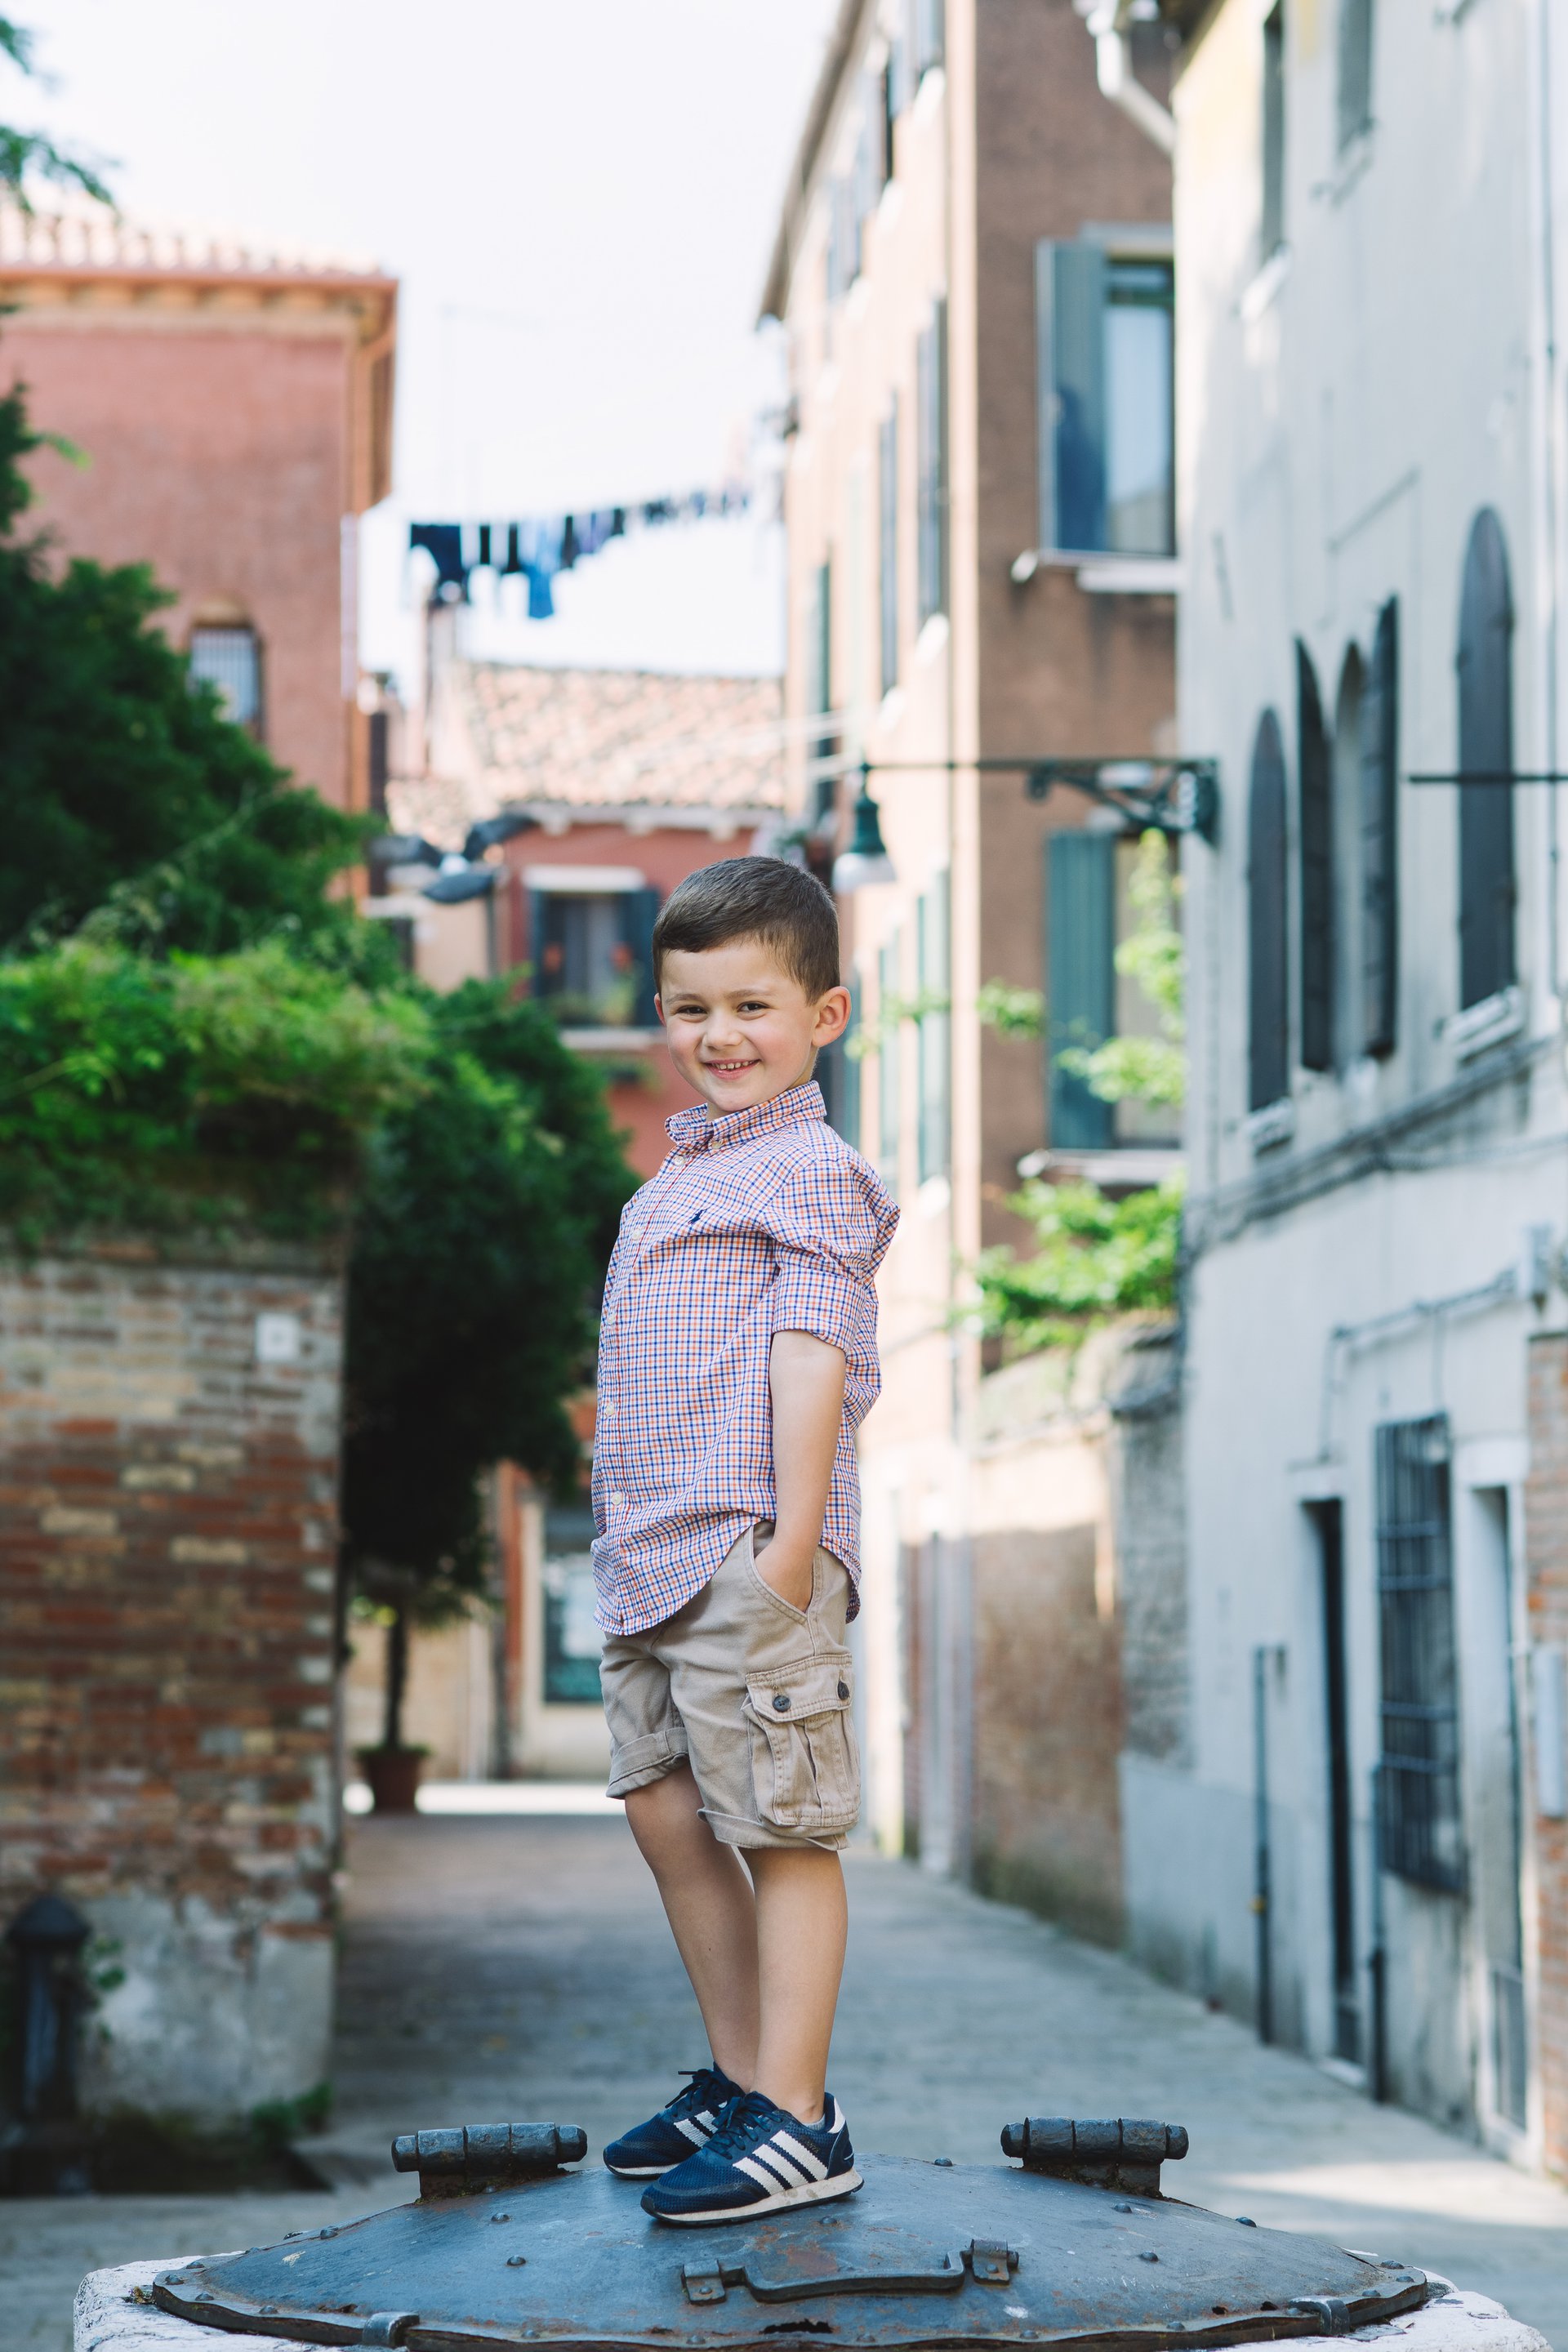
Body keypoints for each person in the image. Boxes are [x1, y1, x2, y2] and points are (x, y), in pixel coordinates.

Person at [592, 855, 898, 2226]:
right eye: (689, 1008)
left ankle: (799, 2115)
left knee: (783, 1832)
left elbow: (813, 1349)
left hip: (742, 1547)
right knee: (666, 1807)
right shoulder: (673, 1178)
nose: (718, 1037)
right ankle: (735, 2078)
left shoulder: (812, 1172)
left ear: (825, 1015)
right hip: (650, 1558)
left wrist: (787, 1550)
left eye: (752, 1007)